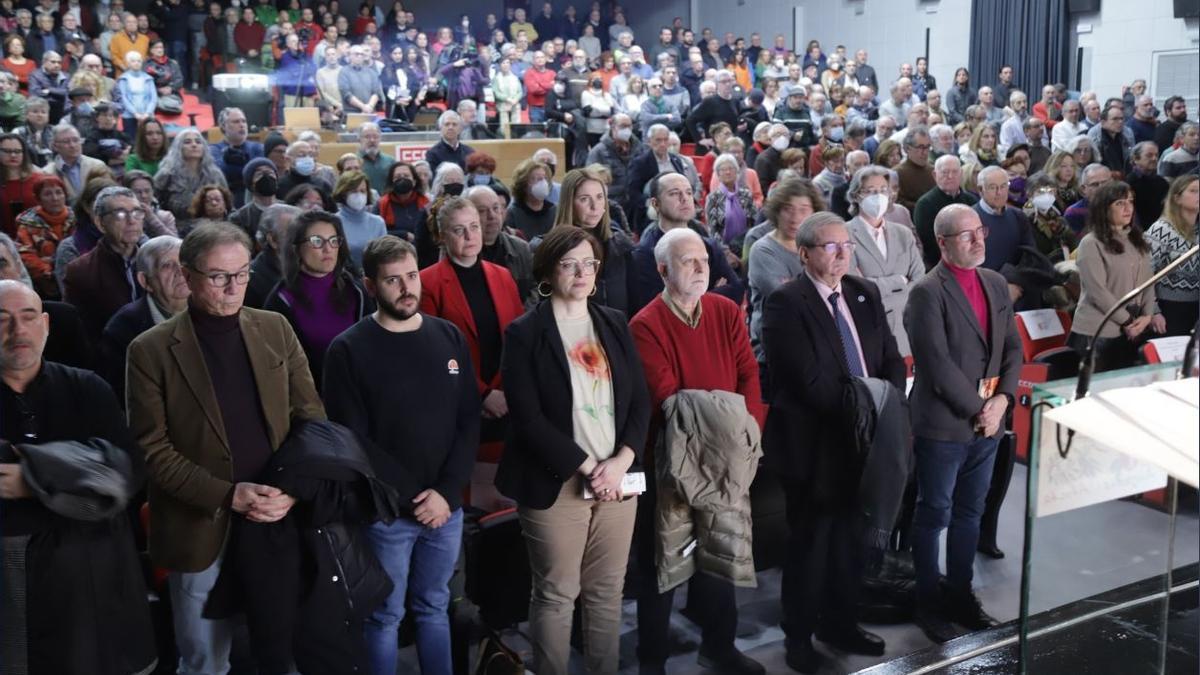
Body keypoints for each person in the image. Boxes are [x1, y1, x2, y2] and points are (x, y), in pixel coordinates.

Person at [127, 221, 325, 674]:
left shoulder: (274, 328)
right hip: (199, 525)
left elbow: (312, 419)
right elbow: (152, 451)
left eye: (241, 274)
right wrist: (228, 494)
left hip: (276, 514)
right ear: (187, 275)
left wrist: (291, 490)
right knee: (204, 660)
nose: (233, 287)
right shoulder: (150, 350)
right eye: (218, 276)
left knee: (282, 650)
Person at [322, 234, 478, 675]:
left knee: (435, 606)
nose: (407, 288)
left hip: (446, 511)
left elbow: (468, 421)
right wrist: (417, 498)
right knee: (384, 616)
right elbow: (354, 439)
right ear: (370, 286)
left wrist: (445, 494)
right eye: (393, 281)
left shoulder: (447, 336)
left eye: (411, 276)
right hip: (388, 513)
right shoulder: (348, 350)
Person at [494, 225, 648, 675]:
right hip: (555, 480)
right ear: (547, 271)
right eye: (569, 263)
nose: (582, 272)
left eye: (590, 263)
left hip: (617, 479)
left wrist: (619, 463)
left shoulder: (614, 322)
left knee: (606, 591)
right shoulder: (525, 333)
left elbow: (639, 400)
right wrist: (588, 468)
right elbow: (527, 418)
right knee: (558, 592)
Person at [759, 211, 903, 672]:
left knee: (850, 541)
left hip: (865, 443)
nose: (842, 254)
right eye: (830, 247)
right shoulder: (786, 303)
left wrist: (883, 407)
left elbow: (890, 360)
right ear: (804, 254)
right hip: (814, 445)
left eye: (847, 246)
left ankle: (841, 622)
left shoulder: (864, 293)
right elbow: (808, 380)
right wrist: (864, 412)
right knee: (811, 545)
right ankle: (798, 635)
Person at [0, 280, 156, 675]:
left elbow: (124, 472)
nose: (17, 331)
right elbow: (99, 471)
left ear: (46, 324)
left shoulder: (87, 388)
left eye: (28, 317)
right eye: (1, 320)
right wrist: (77, 468)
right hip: (11, 579)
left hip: (92, 574)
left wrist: (32, 477)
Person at [629, 226, 765, 675]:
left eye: (705, 260)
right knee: (662, 566)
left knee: (719, 557)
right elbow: (670, 400)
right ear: (663, 269)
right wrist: (732, 424)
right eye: (688, 262)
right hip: (671, 463)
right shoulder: (645, 324)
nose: (701, 268)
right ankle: (653, 662)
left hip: (728, 457)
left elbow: (748, 374)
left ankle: (719, 648)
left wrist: (746, 437)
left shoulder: (725, 310)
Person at [903, 203, 1021, 644]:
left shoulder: (994, 283)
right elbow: (935, 365)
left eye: (980, 232)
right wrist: (982, 409)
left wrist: (1003, 400)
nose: (977, 241)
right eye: (965, 235)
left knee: (971, 512)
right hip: (945, 423)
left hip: (987, 422)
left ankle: (959, 593)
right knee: (935, 513)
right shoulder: (927, 292)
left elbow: (1012, 347)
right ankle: (928, 603)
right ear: (943, 243)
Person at [420, 196, 524, 440]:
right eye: (459, 230)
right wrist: (484, 394)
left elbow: (519, 338)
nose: (470, 236)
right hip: (458, 402)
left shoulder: (503, 275)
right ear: (442, 236)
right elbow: (435, 352)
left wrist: (505, 391)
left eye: (474, 226)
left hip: (508, 398)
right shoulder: (427, 283)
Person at [263, 209, 372, 389]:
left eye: (333, 240)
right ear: (296, 246)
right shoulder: (280, 301)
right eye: (317, 241)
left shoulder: (357, 291)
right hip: (313, 400)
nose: (327, 249)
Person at [1069, 181, 1165, 371]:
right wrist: (1128, 321)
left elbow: (1148, 281)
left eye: (1130, 201)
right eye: (1120, 203)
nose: (1128, 207)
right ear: (1104, 208)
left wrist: (1147, 315)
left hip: (1133, 329)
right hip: (1097, 331)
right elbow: (1098, 292)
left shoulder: (1137, 238)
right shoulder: (1091, 243)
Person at [630, 172, 743, 313]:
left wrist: (686, 298)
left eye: (689, 192)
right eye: (674, 193)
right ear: (655, 204)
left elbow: (736, 292)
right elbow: (659, 309)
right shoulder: (645, 253)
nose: (684, 199)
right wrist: (713, 294)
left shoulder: (709, 244)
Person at [847, 165, 924, 355]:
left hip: (908, 327)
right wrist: (899, 281)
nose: (878, 195)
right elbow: (853, 286)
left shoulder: (902, 233)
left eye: (883, 190)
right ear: (857, 195)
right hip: (870, 327)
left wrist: (876, 285)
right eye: (871, 191)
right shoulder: (844, 234)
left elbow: (919, 279)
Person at [98, 234, 188, 397]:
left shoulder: (211, 308)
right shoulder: (122, 329)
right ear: (144, 281)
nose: (180, 272)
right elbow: (126, 396)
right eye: (167, 265)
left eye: (184, 263)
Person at [747, 177, 820, 372]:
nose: (795, 217)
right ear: (777, 210)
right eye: (788, 208)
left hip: (819, 346)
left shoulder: (818, 245)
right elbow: (788, 298)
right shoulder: (762, 250)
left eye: (803, 209)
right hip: (776, 349)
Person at [62, 184, 144, 343]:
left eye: (137, 212)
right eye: (120, 213)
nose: (131, 220)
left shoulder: (155, 262)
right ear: (100, 222)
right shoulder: (81, 271)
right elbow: (80, 333)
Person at [550, 166, 636, 314]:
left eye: (599, 197)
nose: (594, 206)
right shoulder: (550, 249)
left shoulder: (621, 244)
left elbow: (634, 298)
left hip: (617, 329)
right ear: (569, 203)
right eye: (584, 199)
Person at [972, 166, 1041, 310]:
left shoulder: (1018, 216)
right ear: (980, 189)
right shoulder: (969, 219)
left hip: (1019, 289)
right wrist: (1002, 289)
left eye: (1004, 186)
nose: (999, 193)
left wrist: (1015, 283)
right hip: (985, 294)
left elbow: (1030, 255)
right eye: (993, 187)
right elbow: (969, 265)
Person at [1146, 175, 1199, 336]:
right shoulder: (1162, 230)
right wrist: (1153, 312)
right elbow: (1145, 274)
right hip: (1169, 309)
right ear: (1177, 198)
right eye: (1194, 191)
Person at [469, 184, 533, 302]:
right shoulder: (463, 252)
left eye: (496, 208)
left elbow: (534, 288)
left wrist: (523, 315)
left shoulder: (521, 248)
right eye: (482, 211)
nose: (492, 216)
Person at [14, 173, 72, 299]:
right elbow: (25, 255)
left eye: (59, 192)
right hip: (46, 286)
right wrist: (50, 272)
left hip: (76, 277)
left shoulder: (76, 219)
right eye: (48, 194)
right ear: (38, 199)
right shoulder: (28, 224)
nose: (55, 198)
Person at [914, 155, 979, 268]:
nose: (950, 176)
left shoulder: (971, 200)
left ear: (961, 173)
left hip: (972, 261)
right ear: (935, 175)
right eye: (945, 172)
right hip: (940, 265)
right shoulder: (924, 204)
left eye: (955, 172)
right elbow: (930, 244)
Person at [156, 128, 228, 222]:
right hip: (176, 229)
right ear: (178, 147)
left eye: (198, 142)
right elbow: (155, 203)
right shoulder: (166, 174)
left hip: (213, 228)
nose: (194, 145)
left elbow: (228, 204)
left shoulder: (215, 174)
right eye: (187, 142)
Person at [37, 123, 107, 203]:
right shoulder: (47, 172)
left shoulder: (97, 165)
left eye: (76, 140)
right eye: (66, 142)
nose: (72, 145)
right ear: (55, 146)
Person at [208, 108, 264, 208]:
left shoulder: (258, 148)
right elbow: (221, 173)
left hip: (255, 200)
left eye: (244, 121)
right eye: (236, 122)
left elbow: (260, 174)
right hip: (226, 201)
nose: (242, 125)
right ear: (223, 126)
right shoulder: (213, 150)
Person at [586, 114, 642, 212]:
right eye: (623, 126)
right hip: (611, 203)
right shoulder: (599, 151)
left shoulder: (639, 148)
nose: (627, 130)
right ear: (613, 127)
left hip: (635, 204)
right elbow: (590, 180)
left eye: (629, 126)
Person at [331, 169, 386, 268]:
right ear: (343, 193)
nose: (359, 195)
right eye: (353, 191)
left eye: (362, 191)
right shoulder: (333, 222)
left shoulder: (378, 222)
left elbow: (384, 256)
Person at [706, 152, 756, 252]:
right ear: (718, 175)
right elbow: (713, 230)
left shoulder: (745, 194)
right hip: (724, 250)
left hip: (747, 245)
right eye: (723, 170)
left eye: (731, 168)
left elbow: (754, 222)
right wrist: (725, 251)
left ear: (736, 171)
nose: (728, 172)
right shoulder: (713, 198)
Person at [505, 158, 557, 240]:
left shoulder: (555, 211)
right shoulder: (512, 213)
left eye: (545, 178)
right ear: (523, 184)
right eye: (536, 179)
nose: (542, 183)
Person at [229, 157, 278, 244]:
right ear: (250, 184)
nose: (266, 177)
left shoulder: (290, 209)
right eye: (259, 174)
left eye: (270, 172)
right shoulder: (240, 218)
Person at [377, 161, 428, 242]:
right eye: (397, 177)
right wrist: (403, 235)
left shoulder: (426, 203)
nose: (402, 179)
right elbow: (376, 232)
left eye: (406, 176)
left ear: (414, 181)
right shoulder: (381, 204)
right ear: (392, 182)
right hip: (391, 249)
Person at [114, 50, 156, 143]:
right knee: (131, 141)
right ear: (128, 63)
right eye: (133, 61)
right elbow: (123, 98)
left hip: (147, 116)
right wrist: (135, 113)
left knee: (149, 141)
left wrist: (147, 113)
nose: (136, 63)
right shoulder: (123, 79)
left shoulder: (148, 78)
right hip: (129, 116)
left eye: (139, 61)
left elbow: (153, 98)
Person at [1127, 141, 1169, 228]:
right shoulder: (1128, 183)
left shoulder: (1162, 182)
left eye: (1156, 155)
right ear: (1136, 159)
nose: (1154, 158)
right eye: (1149, 155)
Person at [895, 125, 935, 212]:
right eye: (920, 147)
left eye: (927, 147)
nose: (924, 152)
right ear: (907, 148)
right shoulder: (897, 173)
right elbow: (897, 202)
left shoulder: (933, 170)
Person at [1088, 105, 1133, 175]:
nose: (1120, 122)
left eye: (1122, 119)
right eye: (1115, 119)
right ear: (1103, 122)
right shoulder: (1094, 136)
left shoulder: (1127, 133)